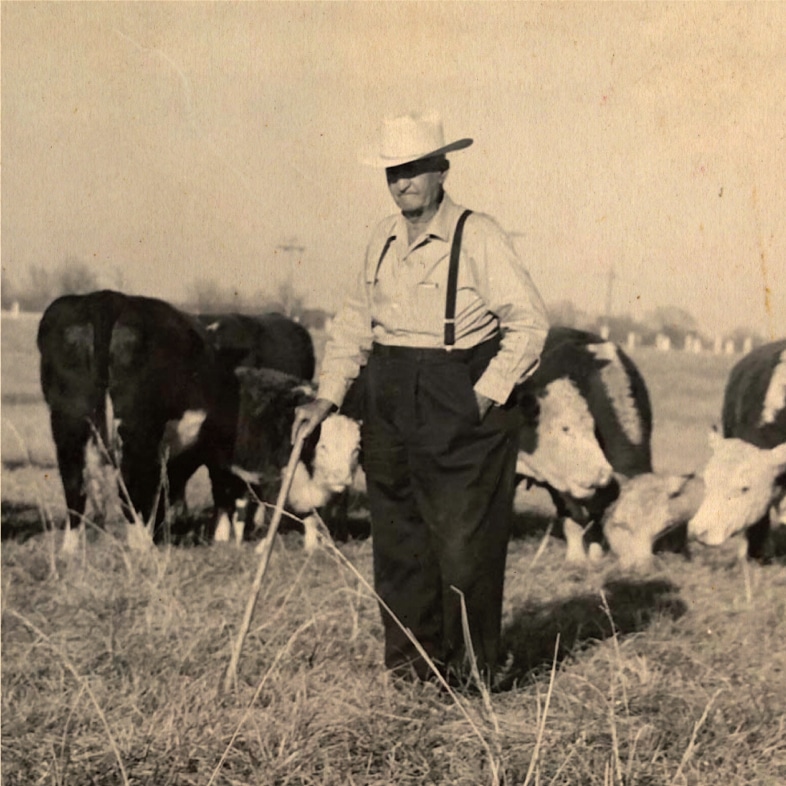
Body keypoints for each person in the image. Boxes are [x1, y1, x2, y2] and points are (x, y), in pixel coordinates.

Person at [293, 112, 549, 687]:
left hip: (456, 391)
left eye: (414, 169)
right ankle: (412, 671)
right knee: (399, 539)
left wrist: (481, 397)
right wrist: (327, 398)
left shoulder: (477, 234)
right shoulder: (379, 237)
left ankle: (472, 677)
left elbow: (529, 324)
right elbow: (354, 324)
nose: (403, 181)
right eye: (393, 171)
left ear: (442, 170)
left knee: (462, 547)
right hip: (386, 392)